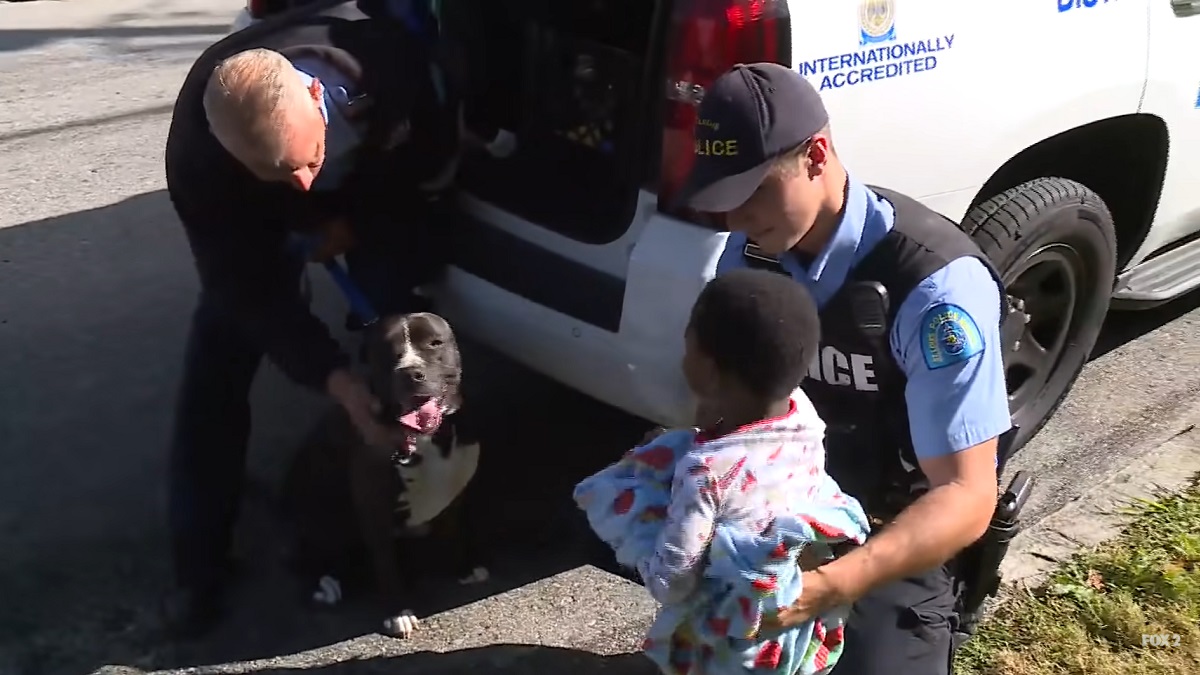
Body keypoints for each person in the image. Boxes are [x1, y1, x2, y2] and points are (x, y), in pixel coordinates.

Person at [673, 63, 1012, 674]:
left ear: (816, 155)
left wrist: (828, 587)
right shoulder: (753, 252)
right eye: (723, 201)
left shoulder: (934, 291)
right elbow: (726, 397)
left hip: (895, 538)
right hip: (779, 516)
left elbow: (965, 493)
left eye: (751, 192)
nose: (734, 219)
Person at [162, 0, 464, 637]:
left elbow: (429, 171)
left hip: (368, 192)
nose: (301, 182)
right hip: (252, 220)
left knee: (398, 325)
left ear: (316, 93)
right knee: (215, 370)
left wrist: (352, 225)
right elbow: (246, 289)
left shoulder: (384, 63)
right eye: (282, 173)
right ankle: (199, 571)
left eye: (308, 159)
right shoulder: (199, 152)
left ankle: (430, 516)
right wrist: (334, 380)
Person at [575, 269, 871, 675]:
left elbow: (673, 582)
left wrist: (635, 531)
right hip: (788, 632)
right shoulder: (802, 412)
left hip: (731, 646)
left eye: (687, 347)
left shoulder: (706, 472)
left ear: (710, 370)